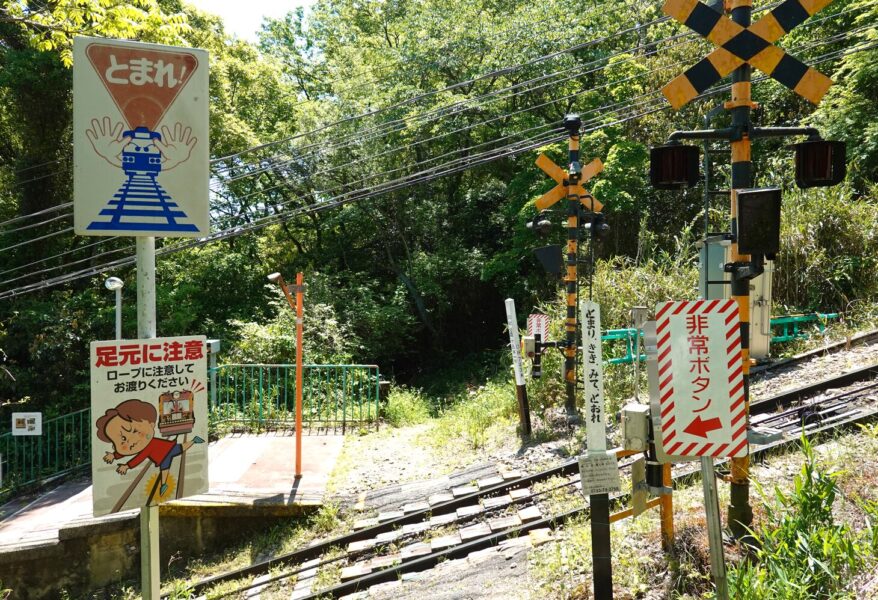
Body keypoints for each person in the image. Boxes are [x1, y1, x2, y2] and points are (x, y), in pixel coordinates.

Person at [96, 398, 203, 497]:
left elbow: (139, 458)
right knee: (178, 451)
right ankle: (194, 441)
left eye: (134, 431)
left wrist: (127, 465)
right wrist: (114, 455)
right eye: (121, 440)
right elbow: (129, 452)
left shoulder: (146, 448)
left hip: (164, 452)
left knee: (171, 460)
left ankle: (164, 484)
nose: (129, 441)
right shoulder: (144, 445)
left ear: (151, 424)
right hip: (165, 451)